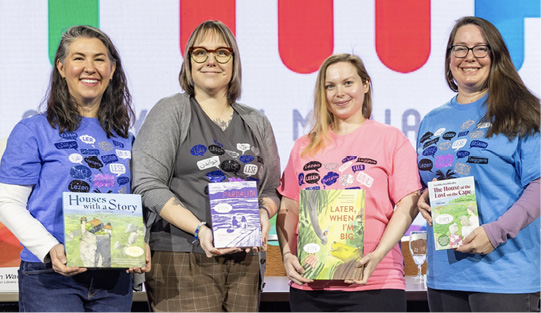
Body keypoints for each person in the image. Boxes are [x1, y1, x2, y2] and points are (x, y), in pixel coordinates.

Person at [131, 20, 281, 312]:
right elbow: (147, 183)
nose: (211, 60)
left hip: (245, 260)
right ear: (188, 62)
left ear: (234, 61)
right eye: (200, 52)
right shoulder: (171, 111)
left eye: (222, 52)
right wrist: (200, 229)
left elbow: (273, 189)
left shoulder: (256, 120)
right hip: (182, 258)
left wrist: (264, 213)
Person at [0, 25, 150, 312]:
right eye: (79, 58)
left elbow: (135, 203)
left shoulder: (125, 138)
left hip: (113, 278)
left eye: (99, 59)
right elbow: (7, 202)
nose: (89, 68)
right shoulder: (33, 130)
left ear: (112, 68)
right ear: (61, 66)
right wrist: (48, 249)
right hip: (51, 276)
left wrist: (139, 242)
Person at [276, 53, 421, 312]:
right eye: (329, 86)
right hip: (311, 285)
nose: (339, 93)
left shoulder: (391, 139)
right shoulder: (304, 146)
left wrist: (377, 256)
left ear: (365, 85)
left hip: (375, 284)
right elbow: (289, 206)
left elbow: (408, 202)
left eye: (347, 83)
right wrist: (287, 254)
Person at [416, 16, 540, 312]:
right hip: (445, 277)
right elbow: (431, 183)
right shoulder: (432, 120)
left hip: (505, 277)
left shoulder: (522, 111)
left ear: (496, 56)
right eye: (460, 48)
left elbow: (538, 185)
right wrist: (425, 197)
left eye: (480, 49)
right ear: (449, 58)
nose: (469, 57)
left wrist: (494, 233)